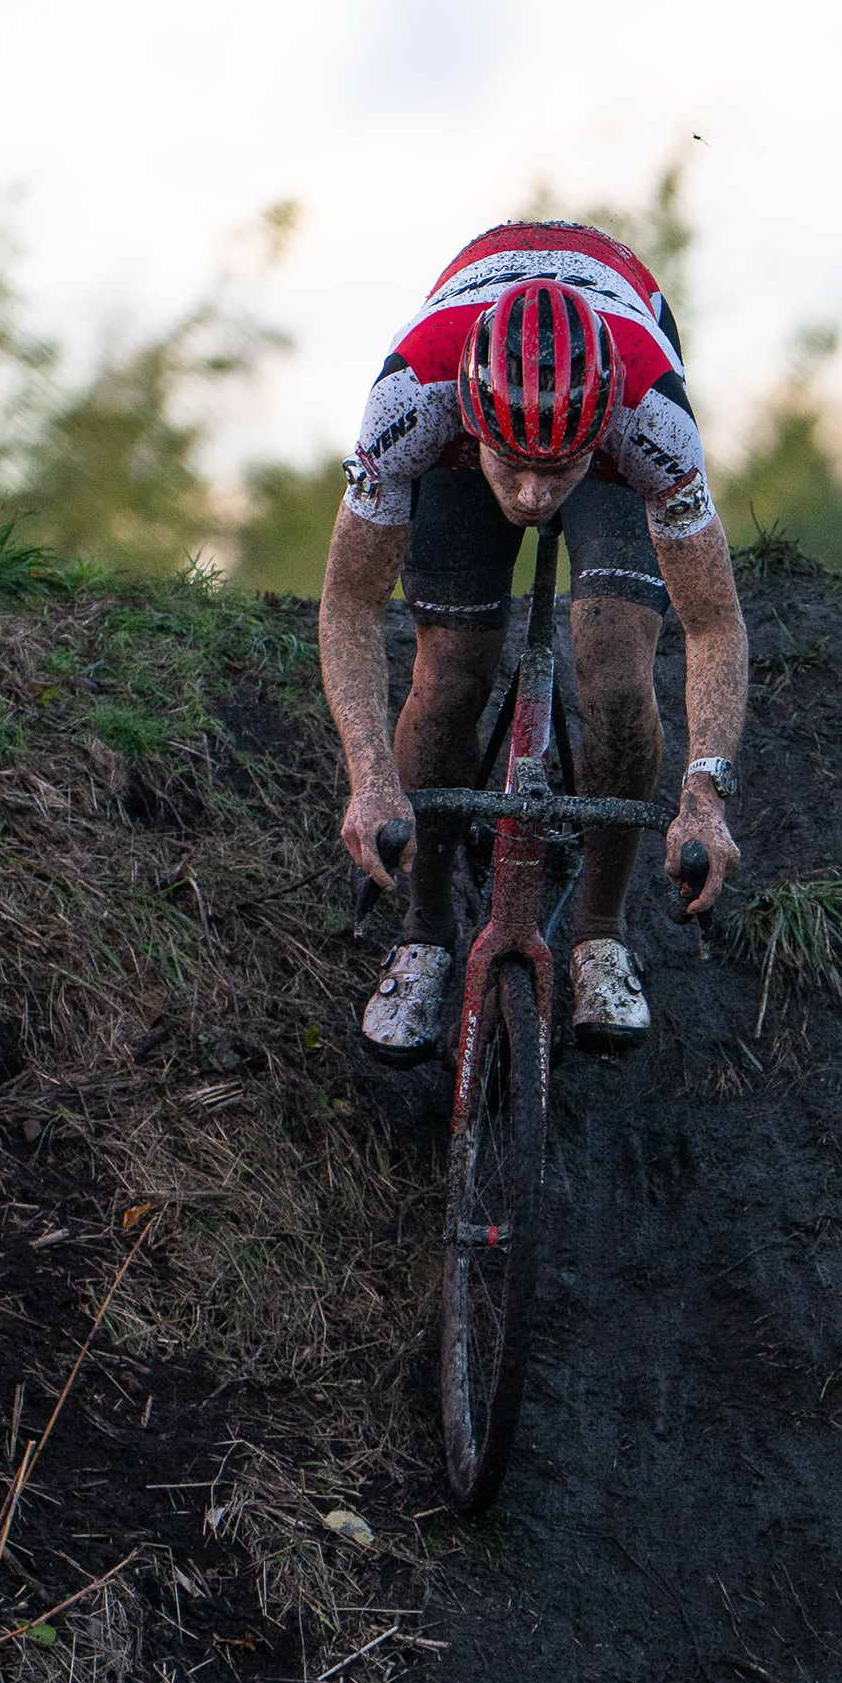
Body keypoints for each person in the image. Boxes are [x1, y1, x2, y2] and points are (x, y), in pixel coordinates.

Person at [319, 219, 747, 1062]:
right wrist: (370, 779)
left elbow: (714, 622)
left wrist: (706, 794)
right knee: (448, 674)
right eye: (511, 464)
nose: (531, 495)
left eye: (558, 471)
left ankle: (599, 929)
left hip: (617, 376)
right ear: (471, 423)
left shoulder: (651, 418)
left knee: (616, 670)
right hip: (465, 393)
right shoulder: (413, 399)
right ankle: (426, 930)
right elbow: (349, 604)